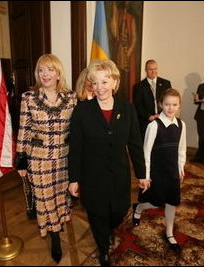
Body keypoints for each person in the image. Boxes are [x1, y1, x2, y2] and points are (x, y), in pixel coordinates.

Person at [68, 59, 147, 266]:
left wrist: (142, 173)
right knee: (97, 214)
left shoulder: (128, 109)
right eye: (95, 82)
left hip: (119, 175)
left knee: (118, 211)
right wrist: (73, 179)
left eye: (105, 81)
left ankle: (110, 229)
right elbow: (75, 148)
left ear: (114, 82)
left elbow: (135, 144)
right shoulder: (82, 110)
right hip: (92, 175)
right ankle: (103, 248)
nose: (100, 87)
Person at [14, 54, 77, 263]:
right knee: (45, 200)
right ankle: (55, 238)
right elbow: (24, 129)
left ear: (58, 73)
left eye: (50, 69)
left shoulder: (71, 98)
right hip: (39, 160)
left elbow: (77, 130)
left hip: (64, 160)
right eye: (41, 70)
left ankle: (58, 229)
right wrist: (21, 157)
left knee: (60, 198)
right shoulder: (28, 98)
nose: (45, 74)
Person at [132, 88, 186, 252]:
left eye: (174, 105)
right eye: (167, 104)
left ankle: (169, 233)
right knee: (156, 202)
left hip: (172, 171)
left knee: (172, 202)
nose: (170, 108)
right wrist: (145, 176)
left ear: (179, 105)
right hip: (157, 171)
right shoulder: (154, 125)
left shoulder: (181, 125)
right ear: (160, 104)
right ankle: (139, 208)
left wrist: (180, 168)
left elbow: (181, 149)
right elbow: (146, 152)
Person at [133, 59, 172, 139]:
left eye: (155, 69)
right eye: (150, 69)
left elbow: (170, 101)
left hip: (163, 119)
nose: (153, 71)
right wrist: (149, 116)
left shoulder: (166, 83)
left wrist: (163, 115)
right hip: (147, 121)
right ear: (146, 70)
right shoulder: (139, 86)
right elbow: (137, 105)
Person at [110, 1, 137, 102]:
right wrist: (114, 9)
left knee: (126, 80)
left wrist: (129, 51)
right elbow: (114, 32)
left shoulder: (131, 18)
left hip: (127, 53)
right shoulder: (117, 15)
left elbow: (134, 38)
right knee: (117, 76)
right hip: (118, 51)